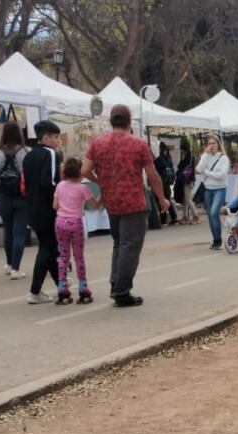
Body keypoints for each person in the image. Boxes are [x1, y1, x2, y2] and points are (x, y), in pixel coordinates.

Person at [82, 104, 169, 308]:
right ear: (129, 122)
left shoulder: (98, 143)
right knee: (130, 247)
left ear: (111, 121)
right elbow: (153, 175)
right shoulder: (138, 144)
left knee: (118, 243)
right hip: (133, 201)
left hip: (111, 201)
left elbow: (85, 169)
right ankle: (121, 291)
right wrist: (162, 199)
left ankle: (115, 283)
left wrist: (100, 181)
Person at [23, 120, 62, 305]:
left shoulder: (28, 156)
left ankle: (61, 286)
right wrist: (60, 201)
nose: (58, 141)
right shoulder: (51, 154)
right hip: (48, 208)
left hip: (32, 207)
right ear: (45, 137)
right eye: (55, 137)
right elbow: (50, 183)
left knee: (51, 247)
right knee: (47, 249)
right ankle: (35, 291)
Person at [52, 157, 99, 305]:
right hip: (75, 224)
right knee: (79, 257)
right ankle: (83, 289)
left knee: (63, 256)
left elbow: (55, 206)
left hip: (60, 223)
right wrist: (103, 194)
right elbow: (95, 204)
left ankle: (62, 289)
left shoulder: (60, 186)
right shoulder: (83, 188)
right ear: (80, 172)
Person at [0, 121, 29, 279]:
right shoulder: (26, 151)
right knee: (19, 232)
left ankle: (9, 263)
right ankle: (16, 269)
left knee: (8, 230)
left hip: (3, 195)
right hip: (21, 195)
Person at [195, 136, 229, 249]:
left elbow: (222, 175)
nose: (211, 145)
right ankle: (216, 239)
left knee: (214, 212)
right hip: (208, 189)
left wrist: (207, 173)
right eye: (209, 143)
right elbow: (199, 169)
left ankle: (218, 239)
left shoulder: (223, 158)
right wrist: (204, 155)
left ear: (218, 144)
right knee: (210, 215)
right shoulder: (206, 156)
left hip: (220, 188)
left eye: (214, 143)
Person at [176, 138, 198, 225]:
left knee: (188, 199)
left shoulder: (189, 157)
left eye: (181, 149)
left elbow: (185, 168)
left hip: (187, 180)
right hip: (186, 179)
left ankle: (195, 215)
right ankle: (184, 216)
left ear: (183, 149)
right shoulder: (189, 157)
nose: (180, 151)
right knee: (185, 199)